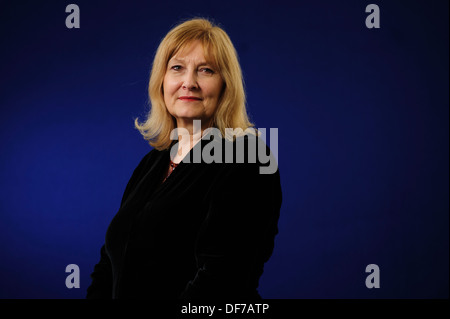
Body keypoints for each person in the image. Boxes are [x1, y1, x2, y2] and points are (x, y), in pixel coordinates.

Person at [86, 18, 282, 299]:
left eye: (206, 70)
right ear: (161, 80)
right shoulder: (151, 164)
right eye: (177, 67)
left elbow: (223, 280)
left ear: (225, 84)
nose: (189, 83)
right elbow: (109, 264)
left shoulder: (248, 158)